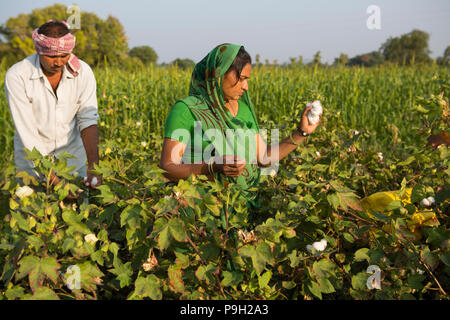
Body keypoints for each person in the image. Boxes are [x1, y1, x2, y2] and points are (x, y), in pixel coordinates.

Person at [160, 43, 321, 210]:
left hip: (243, 212)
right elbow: (167, 168)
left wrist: (301, 133)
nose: (246, 87)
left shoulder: (243, 110)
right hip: (203, 214)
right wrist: (212, 166)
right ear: (219, 74)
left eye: (247, 80)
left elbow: (263, 158)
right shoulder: (186, 110)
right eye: (241, 79)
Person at [4, 20, 101, 198]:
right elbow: (27, 132)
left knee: (75, 217)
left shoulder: (83, 73)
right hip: (33, 167)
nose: (58, 62)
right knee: (32, 216)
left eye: (64, 56)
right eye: (51, 57)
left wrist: (94, 167)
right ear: (38, 51)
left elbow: (88, 119)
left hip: (72, 161)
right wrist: (54, 181)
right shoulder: (18, 76)